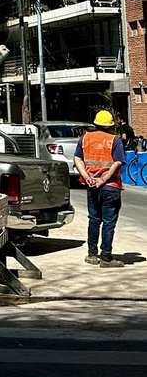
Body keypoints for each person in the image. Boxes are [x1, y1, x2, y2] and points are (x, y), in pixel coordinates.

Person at [74, 110, 126, 268]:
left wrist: (87, 176)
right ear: (110, 126)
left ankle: (91, 254)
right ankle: (106, 257)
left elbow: (77, 158)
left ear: (96, 124)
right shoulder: (114, 140)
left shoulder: (85, 138)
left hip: (92, 187)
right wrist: (103, 179)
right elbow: (118, 162)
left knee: (94, 220)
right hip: (110, 187)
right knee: (109, 223)